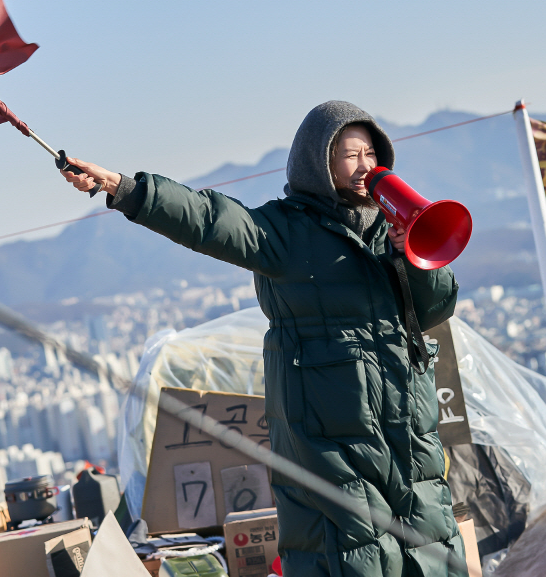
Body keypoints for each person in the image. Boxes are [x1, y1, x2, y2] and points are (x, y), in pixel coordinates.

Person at [61, 101, 464, 577]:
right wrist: (126, 189)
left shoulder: (391, 227)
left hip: (406, 427)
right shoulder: (286, 230)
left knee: (432, 552)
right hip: (329, 434)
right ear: (320, 161)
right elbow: (209, 221)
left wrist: (411, 258)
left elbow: (435, 308)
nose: (366, 167)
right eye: (351, 155)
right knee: (354, 556)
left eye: (372, 153)